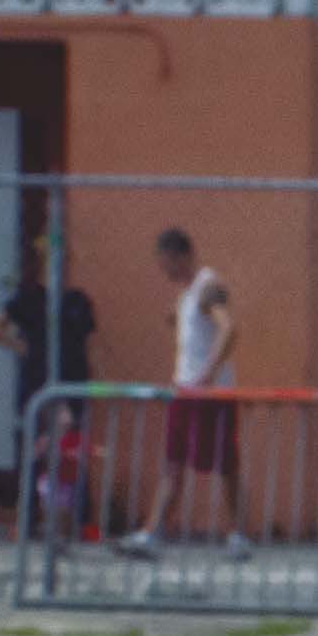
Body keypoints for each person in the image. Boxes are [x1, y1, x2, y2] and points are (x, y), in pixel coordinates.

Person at [0, 230, 103, 537]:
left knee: (72, 451)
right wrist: (22, 349)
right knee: (33, 451)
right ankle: (27, 519)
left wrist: (92, 377)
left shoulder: (77, 301)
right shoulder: (29, 298)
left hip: (72, 382)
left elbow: (89, 344)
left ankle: (81, 521)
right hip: (37, 384)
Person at [133, 223, 238, 552]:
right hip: (184, 389)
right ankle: (152, 532)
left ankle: (236, 533)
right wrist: (177, 316)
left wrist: (209, 373)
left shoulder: (208, 286)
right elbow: (189, 322)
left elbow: (228, 328)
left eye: (165, 262)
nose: (163, 270)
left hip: (209, 392)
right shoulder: (187, 293)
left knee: (224, 463)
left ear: (180, 256)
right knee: (173, 461)